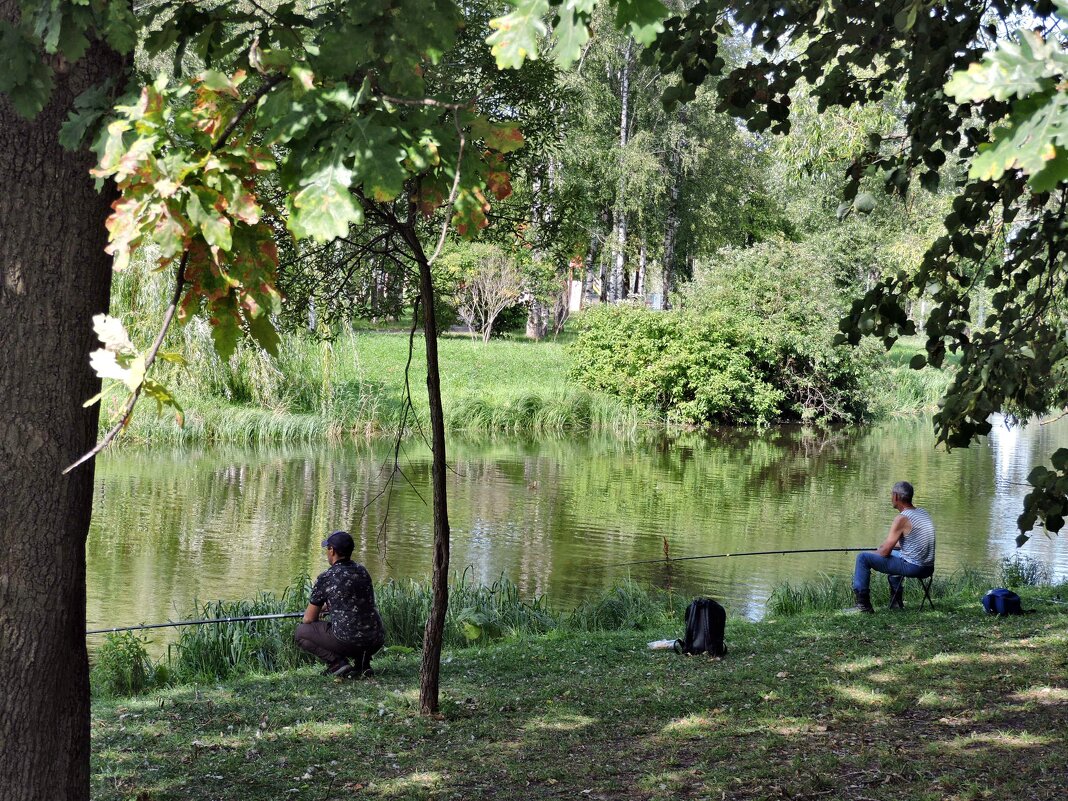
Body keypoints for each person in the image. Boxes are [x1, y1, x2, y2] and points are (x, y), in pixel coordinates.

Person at [295, 531, 386, 677]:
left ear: (332, 550)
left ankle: (337, 663)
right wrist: (329, 606)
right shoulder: (362, 571)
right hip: (375, 638)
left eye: (327, 548)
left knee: (301, 632)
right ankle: (363, 663)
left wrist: (319, 612)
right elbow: (356, 602)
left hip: (348, 641)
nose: (327, 552)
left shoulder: (326, 577)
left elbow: (308, 619)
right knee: (357, 626)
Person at [852, 481, 935, 613]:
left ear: (896, 496)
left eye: (891, 494)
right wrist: (885, 548)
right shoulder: (922, 513)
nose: (891, 498)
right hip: (928, 568)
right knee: (893, 554)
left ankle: (863, 605)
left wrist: (876, 551)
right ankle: (896, 602)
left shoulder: (902, 519)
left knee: (863, 558)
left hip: (914, 567)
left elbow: (884, 553)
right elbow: (911, 543)